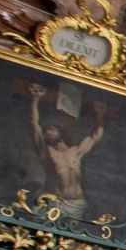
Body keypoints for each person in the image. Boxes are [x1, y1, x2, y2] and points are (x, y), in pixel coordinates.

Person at [27, 85, 106, 219]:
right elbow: (34, 124)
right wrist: (35, 99)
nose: (48, 132)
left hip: (76, 204)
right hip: (53, 202)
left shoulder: (76, 151)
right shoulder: (46, 152)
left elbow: (95, 136)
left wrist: (100, 115)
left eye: (51, 129)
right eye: (45, 131)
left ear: (60, 131)